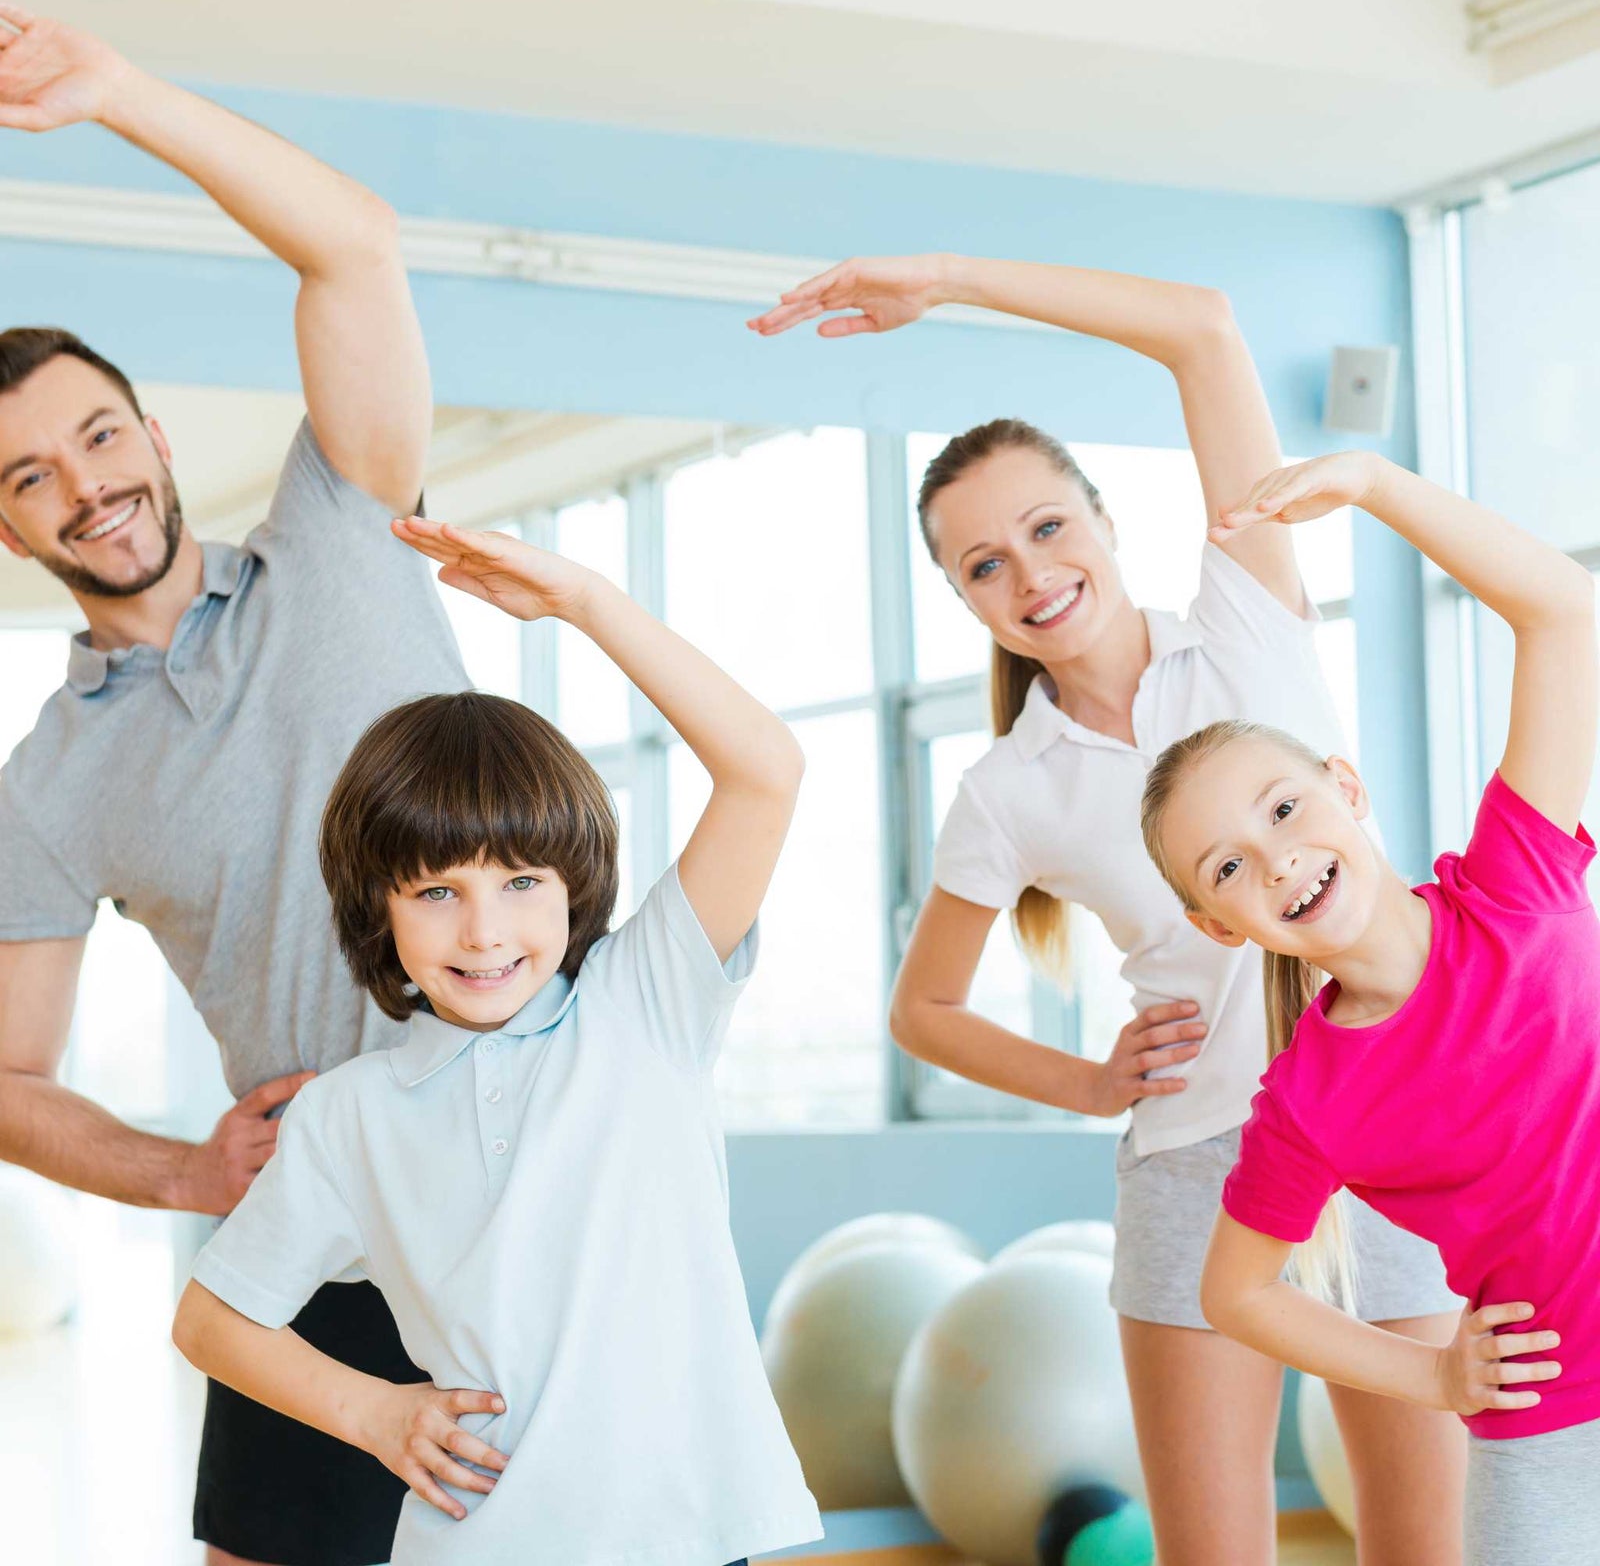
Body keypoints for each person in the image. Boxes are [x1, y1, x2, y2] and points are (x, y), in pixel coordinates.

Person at [751, 255, 1466, 1565]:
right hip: (1201, 1167)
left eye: (1046, 526)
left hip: (1393, 1139)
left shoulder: (1250, 613)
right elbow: (926, 1009)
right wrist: (1090, 1086)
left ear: (1104, 519)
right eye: (983, 564)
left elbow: (1203, 323)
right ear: (963, 598)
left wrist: (947, 283)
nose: (1028, 573)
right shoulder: (1008, 788)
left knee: (1427, 1550)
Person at [0, 5, 467, 1566]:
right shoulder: (49, 785)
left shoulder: (344, 529)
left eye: (97, 432)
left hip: (536, 1163)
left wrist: (121, 93)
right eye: (28, 477)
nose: (87, 485)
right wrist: (187, 1172)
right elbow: (8, 1076)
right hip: (319, 1223)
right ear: (10, 528)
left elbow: (356, 250)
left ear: (150, 427)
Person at [170, 516, 823, 1566]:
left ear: (574, 890)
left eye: (521, 881)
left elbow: (766, 769)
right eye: (437, 890)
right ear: (379, 909)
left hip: (687, 1537)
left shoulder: (645, 1003)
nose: (484, 930)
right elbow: (211, 1320)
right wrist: (374, 1412)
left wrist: (585, 602)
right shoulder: (350, 1112)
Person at [1140, 451, 1597, 1566]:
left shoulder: (1513, 881)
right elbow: (1237, 1292)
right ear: (1222, 927)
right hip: (1551, 1429)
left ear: (1347, 789)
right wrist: (1433, 1375)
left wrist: (1377, 487)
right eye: (1229, 868)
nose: (1279, 857)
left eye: (1286, 807)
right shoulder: (1307, 1097)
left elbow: (1564, 613)